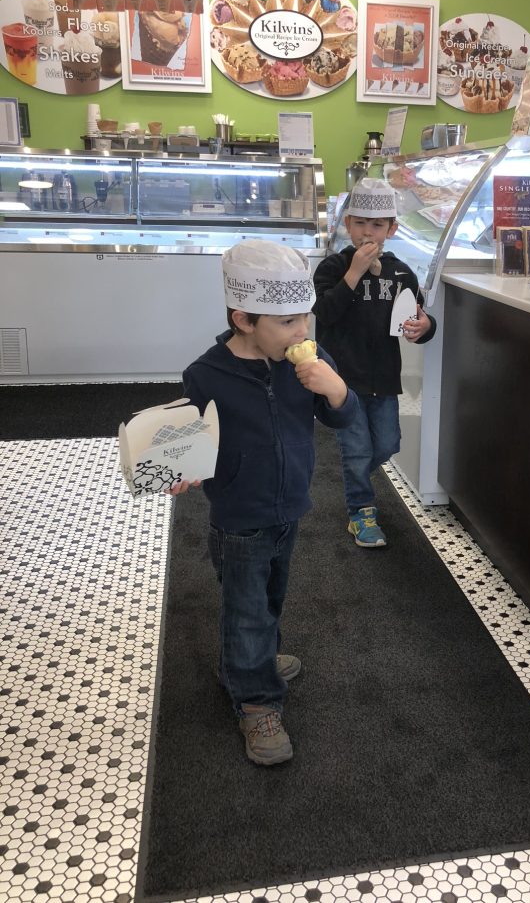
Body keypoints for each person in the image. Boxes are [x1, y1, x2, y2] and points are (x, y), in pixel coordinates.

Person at [177, 240, 358, 766]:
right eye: (288, 323)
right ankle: (255, 701)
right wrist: (180, 468)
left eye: (306, 318)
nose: (302, 332)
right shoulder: (207, 374)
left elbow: (340, 422)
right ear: (244, 318)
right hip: (238, 514)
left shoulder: (311, 360)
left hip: (290, 505)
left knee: (270, 598)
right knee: (248, 608)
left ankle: (245, 660)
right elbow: (190, 441)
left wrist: (337, 390)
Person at [313, 177, 436, 548]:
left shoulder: (401, 273)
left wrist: (425, 325)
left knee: (386, 445)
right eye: (361, 223)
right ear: (348, 224)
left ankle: (355, 477)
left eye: (378, 224)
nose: (369, 232)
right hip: (341, 380)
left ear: (392, 229)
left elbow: (418, 318)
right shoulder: (332, 269)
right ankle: (361, 512)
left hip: (384, 377)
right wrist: (354, 273)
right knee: (358, 449)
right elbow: (325, 312)